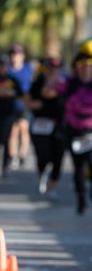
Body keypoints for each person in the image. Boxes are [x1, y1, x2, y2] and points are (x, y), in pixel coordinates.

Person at [46, 49, 92, 215]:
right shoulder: (70, 83)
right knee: (78, 168)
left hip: (91, 131)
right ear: (75, 67)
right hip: (73, 131)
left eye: (89, 63)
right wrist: (52, 80)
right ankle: (81, 198)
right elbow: (49, 93)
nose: (85, 67)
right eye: (81, 64)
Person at [25, 57, 66, 200]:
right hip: (40, 125)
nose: (53, 71)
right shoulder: (38, 83)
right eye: (50, 68)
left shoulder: (65, 85)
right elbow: (28, 101)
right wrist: (37, 105)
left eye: (56, 69)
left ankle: (53, 186)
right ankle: (42, 173)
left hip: (59, 126)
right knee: (43, 155)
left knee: (58, 158)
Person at [7, 44, 34, 169]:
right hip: (11, 104)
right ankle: (13, 156)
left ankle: (23, 155)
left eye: (17, 54)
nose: (15, 57)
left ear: (22, 56)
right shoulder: (7, 70)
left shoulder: (29, 69)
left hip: (24, 103)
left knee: (24, 127)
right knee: (13, 130)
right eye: (13, 54)